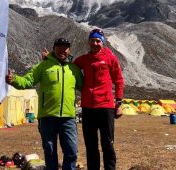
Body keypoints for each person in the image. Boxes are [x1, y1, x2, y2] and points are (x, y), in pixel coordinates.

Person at [42, 29, 124, 169]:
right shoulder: (83, 59)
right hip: (88, 108)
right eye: (92, 40)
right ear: (88, 42)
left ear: (103, 42)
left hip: (106, 107)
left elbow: (119, 80)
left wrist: (119, 102)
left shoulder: (111, 58)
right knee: (91, 145)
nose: (95, 43)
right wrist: (50, 57)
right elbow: (67, 64)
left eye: (98, 41)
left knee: (107, 144)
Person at [6, 38, 83, 170]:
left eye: (65, 48)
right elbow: (28, 81)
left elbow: (85, 87)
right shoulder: (43, 66)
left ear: (69, 50)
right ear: (54, 49)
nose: (62, 50)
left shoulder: (74, 69)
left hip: (68, 117)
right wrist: (14, 80)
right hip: (47, 116)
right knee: (50, 152)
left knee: (71, 151)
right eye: (58, 47)